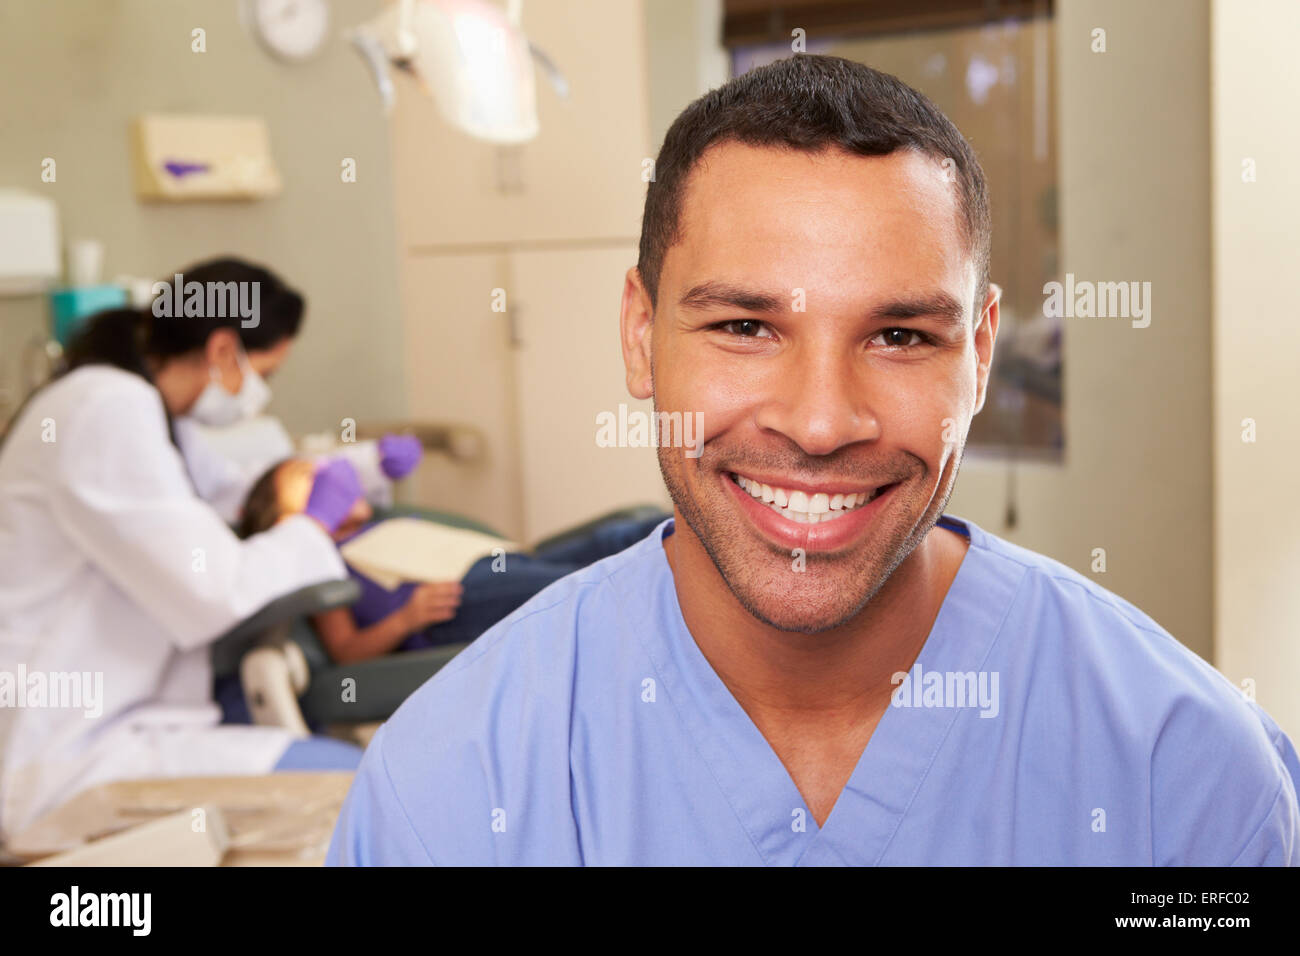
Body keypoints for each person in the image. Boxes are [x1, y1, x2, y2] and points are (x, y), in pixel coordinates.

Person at [328, 55, 1300, 866]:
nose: (822, 420)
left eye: (901, 336)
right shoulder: (454, 783)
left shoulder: (1184, 777)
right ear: (638, 333)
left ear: (979, 354)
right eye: (745, 324)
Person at [0, 259, 364, 844]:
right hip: (71, 752)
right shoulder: (108, 408)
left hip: (127, 719)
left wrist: (353, 474)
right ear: (223, 349)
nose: (259, 394)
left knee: (341, 777)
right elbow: (214, 589)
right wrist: (312, 526)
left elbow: (225, 490)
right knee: (353, 788)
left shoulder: (139, 408)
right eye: (263, 371)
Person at [235, 457, 668, 665]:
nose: (331, 480)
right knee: (596, 582)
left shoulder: (378, 523)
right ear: (287, 519)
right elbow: (345, 651)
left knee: (625, 533)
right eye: (309, 481)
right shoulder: (319, 558)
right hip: (456, 600)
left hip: (499, 561)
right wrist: (405, 621)